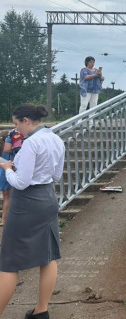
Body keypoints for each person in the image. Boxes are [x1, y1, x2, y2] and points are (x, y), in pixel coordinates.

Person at [0, 104, 65, 319]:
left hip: (26, 203)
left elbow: (20, 183)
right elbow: (56, 176)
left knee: (9, 261)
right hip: (47, 198)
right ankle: (41, 311)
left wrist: (8, 169)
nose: (16, 128)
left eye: (17, 123)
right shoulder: (56, 139)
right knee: (48, 256)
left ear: (26, 120)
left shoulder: (31, 144)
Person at [0, 129, 24, 227]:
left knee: (5, 196)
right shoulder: (11, 151)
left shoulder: (2, 149)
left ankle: (4, 218)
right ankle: (4, 218)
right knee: (8, 197)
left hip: (2, 173)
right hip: (7, 172)